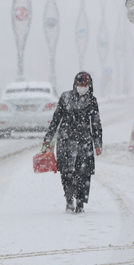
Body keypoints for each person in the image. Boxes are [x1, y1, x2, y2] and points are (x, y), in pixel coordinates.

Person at [40, 71, 102, 213]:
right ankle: (69, 199)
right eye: (80, 84)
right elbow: (56, 119)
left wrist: (98, 144)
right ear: (75, 84)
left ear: (89, 86)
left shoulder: (92, 101)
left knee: (84, 173)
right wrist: (48, 139)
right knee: (66, 172)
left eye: (85, 85)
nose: (82, 87)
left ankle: (80, 202)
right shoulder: (65, 98)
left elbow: (96, 124)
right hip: (66, 141)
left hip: (84, 142)